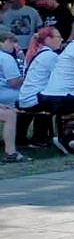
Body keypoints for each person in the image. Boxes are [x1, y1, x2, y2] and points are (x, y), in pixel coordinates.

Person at [0, 32, 29, 163]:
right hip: (7, 94)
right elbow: (14, 83)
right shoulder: (6, 58)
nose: (14, 45)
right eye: (11, 42)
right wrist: (26, 76)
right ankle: (12, 151)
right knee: (32, 98)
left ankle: (13, 149)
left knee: (10, 113)